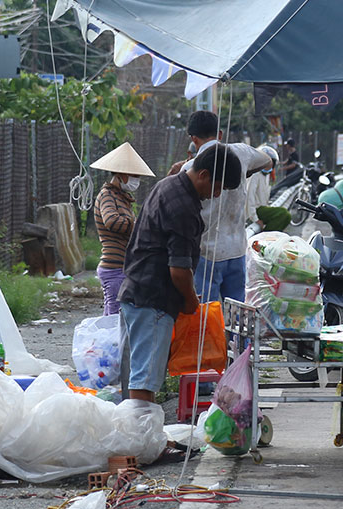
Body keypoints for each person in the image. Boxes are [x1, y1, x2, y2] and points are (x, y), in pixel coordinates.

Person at [120, 143, 243, 401]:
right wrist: (191, 300)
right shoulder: (183, 206)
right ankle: (141, 434)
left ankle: (143, 431)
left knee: (145, 373)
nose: (217, 195)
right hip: (152, 298)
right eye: (217, 187)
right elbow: (179, 269)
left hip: (138, 292)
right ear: (204, 175)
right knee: (145, 377)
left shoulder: (167, 186)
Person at [170, 111, 274, 302]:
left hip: (206, 253)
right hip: (236, 249)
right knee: (237, 311)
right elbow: (267, 160)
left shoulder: (189, 169)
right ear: (219, 134)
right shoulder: (241, 152)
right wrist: (245, 172)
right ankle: (233, 334)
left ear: (193, 138)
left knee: (206, 312)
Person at [88, 142, 154, 317]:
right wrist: (137, 224)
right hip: (114, 267)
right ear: (122, 174)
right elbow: (112, 221)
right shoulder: (107, 195)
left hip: (122, 267)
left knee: (116, 317)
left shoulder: (122, 197)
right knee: (114, 319)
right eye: (134, 175)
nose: (136, 181)